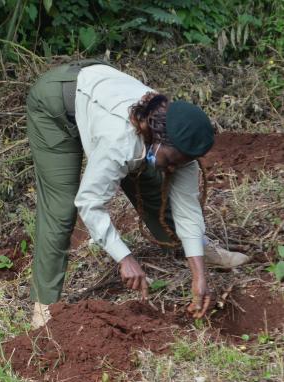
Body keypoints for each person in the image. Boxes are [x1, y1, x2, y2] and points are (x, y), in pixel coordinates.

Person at [25, 60, 250, 328]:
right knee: (61, 209)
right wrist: (125, 258)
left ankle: (201, 249)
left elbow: (186, 207)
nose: (177, 167)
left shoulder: (180, 147)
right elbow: (90, 202)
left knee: (157, 194)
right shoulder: (119, 141)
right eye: (174, 159)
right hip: (57, 106)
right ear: (158, 138)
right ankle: (45, 304)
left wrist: (199, 274)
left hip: (101, 97)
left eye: (183, 161)